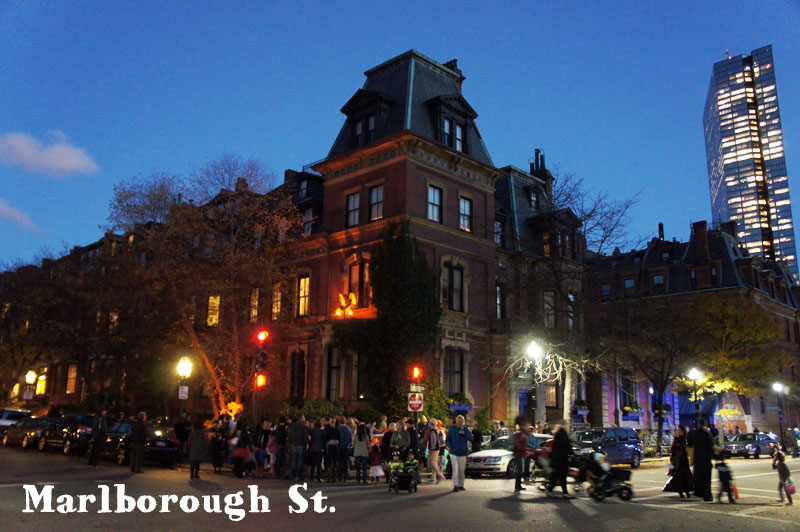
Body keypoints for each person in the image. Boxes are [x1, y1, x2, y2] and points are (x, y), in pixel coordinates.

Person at [663, 424, 694, 498]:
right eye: (677, 430)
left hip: (684, 460)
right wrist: (672, 459)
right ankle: (681, 491)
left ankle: (686, 491)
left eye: (679, 430)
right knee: (678, 476)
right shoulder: (676, 439)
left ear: (682, 431)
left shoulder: (685, 439)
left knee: (686, 476)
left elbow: (688, 448)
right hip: (678, 460)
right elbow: (673, 450)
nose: (678, 431)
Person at [446, 415, 474, 492]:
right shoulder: (452, 429)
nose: (459, 423)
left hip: (463, 453)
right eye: (458, 421)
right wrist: (451, 447)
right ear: (456, 421)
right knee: (455, 469)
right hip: (453, 453)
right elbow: (447, 439)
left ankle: (461, 484)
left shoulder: (465, 429)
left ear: (463, 422)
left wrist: (465, 433)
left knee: (461, 470)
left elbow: (471, 438)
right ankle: (456, 485)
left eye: (461, 422)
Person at [546, 420, 572, 498]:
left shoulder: (558, 433)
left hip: (557, 459)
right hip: (561, 459)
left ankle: (561, 491)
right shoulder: (562, 433)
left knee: (558, 476)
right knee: (562, 476)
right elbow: (566, 445)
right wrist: (571, 453)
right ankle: (563, 492)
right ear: (564, 425)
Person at [693, 419, 714, 501]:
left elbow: (690, 443)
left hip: (697, 459)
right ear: (705, 424)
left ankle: (699, 492)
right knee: (706, 478)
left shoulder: (695, 433)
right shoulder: (707, 434)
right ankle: (707, 495)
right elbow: (711, 446)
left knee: (698, 477)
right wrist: (715, 456)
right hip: (705, 459)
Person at [513, 417, 531, 492]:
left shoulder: (521, 434)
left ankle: (518, 485)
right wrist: (525, 450)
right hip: (518, 454)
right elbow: (519, 445)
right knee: (519, 470)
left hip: (519, 454)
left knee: (520, 470)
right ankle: (518, 486)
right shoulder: (521, 435)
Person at [425, 418, 445, 484]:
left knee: (432, 463)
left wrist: (431, 449)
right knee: (434, 463)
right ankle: (439, 476)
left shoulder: (432, 431)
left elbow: (433, 441)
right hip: (437, 448)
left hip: (434, 449)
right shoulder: (437, 430)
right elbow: (441, 440)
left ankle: (440, 475)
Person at [289, 415, 309, 481]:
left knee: (294, 459)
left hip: (294, 444)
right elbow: (305, 436)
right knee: (300, 460)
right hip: (301, 444)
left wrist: (291, 441)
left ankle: (293, 474)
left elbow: (290, 435)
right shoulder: (303, 427)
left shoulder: (293, 426)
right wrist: (305, 443)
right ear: (301, 419)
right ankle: (299, 475)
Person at [324, 418, 340, 483]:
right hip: (336, 446)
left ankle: (329, 478)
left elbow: (325, 438)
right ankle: (334, 478)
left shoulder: (327, 429)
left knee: (329, 462)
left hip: (329, 446)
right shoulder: (337, 429)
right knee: (335, 462)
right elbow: (339, 438)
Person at [337, 417, 353, 482]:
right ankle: (345, 477)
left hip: (339, 447)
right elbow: (350, 439)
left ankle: (339, 477)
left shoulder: (338, 429)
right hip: (346, 447)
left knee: (340, 463)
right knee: (346, 462)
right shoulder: (348, 429)